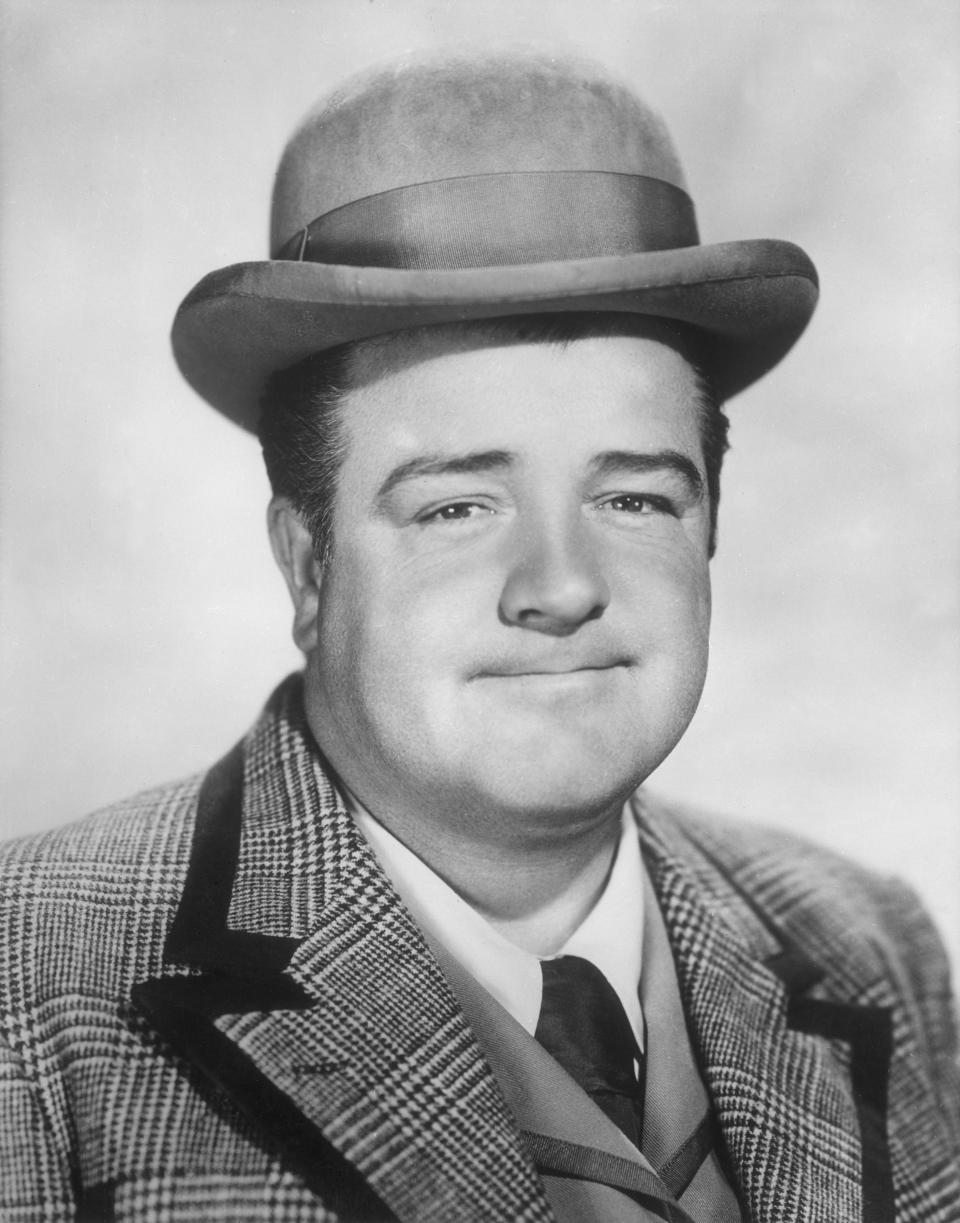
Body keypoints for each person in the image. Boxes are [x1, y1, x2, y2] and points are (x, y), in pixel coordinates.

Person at [1, 46, 957, 1223]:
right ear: (308, 564)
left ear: (711, 529)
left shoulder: (870, 944)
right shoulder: (27, 979)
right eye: (457, 506)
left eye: (635, 497)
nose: (559, 586)